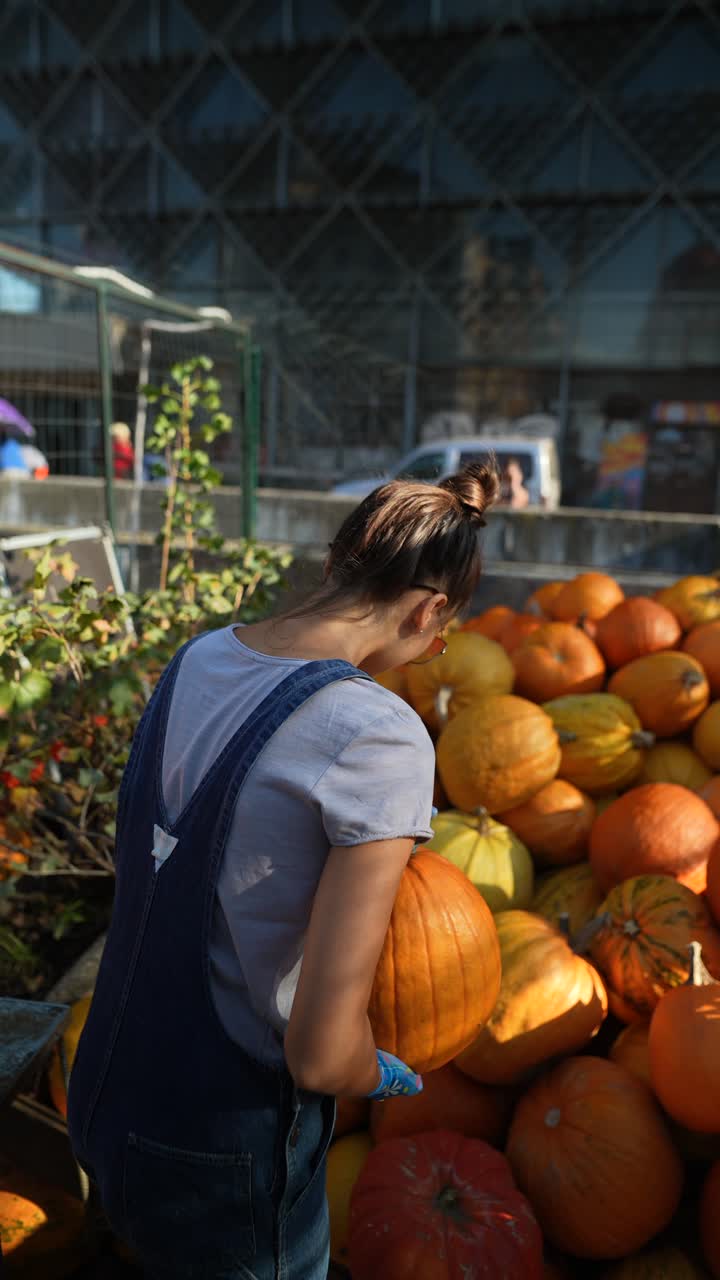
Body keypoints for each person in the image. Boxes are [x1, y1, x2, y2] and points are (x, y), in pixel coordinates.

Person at [67, 461, 500, 1280]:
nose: (431, 655)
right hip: (221, 1156)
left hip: (104, 1097)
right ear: (430, 610)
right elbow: (318, 1052)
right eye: (441, 641)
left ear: (338, 563)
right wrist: (375, 1071)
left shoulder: (199, 658)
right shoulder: (378, 734)